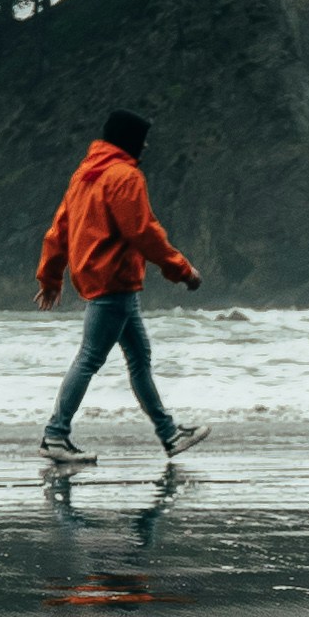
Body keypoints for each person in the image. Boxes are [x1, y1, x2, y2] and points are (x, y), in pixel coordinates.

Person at [37, 105, 209, 468]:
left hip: (107, 283)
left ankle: (170, 434)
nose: (145, 148)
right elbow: (143, 231)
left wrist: (51, 277)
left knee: (139, 360)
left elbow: (58, 231)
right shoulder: (124, 177)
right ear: (129, 141)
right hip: (114, 282)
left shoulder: (85, 175)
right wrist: (181, 270)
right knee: (90, 358)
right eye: (142, 141)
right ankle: (55, 435)